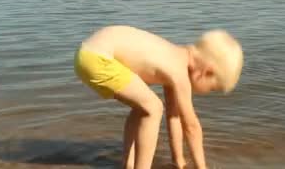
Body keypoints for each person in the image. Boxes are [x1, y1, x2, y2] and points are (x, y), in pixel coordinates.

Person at [74, 25, 244, 169]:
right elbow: (191, 127)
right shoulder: (179, 73)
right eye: (213, 88)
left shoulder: (174, 56)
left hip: (89, 52)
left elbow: (174, 117)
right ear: (206, 72)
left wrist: (179, 161)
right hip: (98, 59)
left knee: (143, 107)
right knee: (153, 108)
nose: (208, 92)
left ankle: (129, 164)